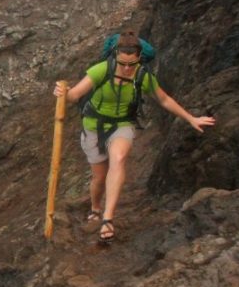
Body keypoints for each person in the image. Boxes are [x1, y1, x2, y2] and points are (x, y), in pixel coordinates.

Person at [53, 31, 215, 242]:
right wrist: (63, 92)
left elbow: (164, 100)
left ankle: (107, 218)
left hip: (123, 124)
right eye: (123, 63)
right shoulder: (102, 69)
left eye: (132, 63)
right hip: (93, 125)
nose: (127, 68)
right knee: (99, 178)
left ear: (138, 58)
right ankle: (95, 207)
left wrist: (191, 118)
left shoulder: (142, 76)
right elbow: (75, 96)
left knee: (118, 159)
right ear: (116, 56)